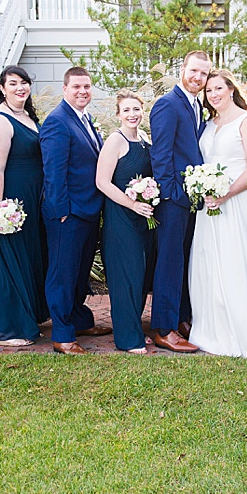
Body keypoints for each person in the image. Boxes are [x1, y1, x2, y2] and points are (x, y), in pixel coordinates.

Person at [187, 69, 247, 357]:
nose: (213, 95)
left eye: (218, 89)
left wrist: (227, 193)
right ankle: (211, 328)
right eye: (209, 91)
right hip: (210, 203)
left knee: (236, 262)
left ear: (231, 90)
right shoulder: (209, 124)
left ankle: (240, 331)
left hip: (236, 203)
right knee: (209, 262)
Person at [39, 66, 111, 355]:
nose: (83, 91)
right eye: (77, 87)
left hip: (88, 210)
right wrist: (61, 212)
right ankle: (63, 335)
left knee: (80, 274)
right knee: (62, 274)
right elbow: (53, 173)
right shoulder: (57, 122)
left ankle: (79, 320)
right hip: (67, 213)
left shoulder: (86, 119)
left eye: (87, 87)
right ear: (65, 89)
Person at [148, 50, 211, 353]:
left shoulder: (197, 106)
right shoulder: (167, 104)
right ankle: (163, 327)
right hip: (174, 199)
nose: (198, 78)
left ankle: (181, 318)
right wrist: (171, 193)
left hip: (192, 199)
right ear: (182, 69)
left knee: (186, 261)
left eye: (204, 74)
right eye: (194, 71)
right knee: (170, 263)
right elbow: (161, 155)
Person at [0, 65, 48, 347]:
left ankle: (27, 319)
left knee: (29, 260)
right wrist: (0, 212)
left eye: (24, 82)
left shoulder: (29, 118)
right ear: (2, 88)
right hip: (10, 203)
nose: (20, 87)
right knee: (12, 264)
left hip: (31, 200)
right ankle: (7, 331)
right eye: (13, 83)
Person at [96, 91, 157, 354]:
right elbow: (102, 182)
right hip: (121, 217)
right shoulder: (115, 141)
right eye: (127, 110)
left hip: (144, 218)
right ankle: (127, 338)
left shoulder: (144, 139)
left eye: (136, 109)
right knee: (126, 275)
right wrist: (132, 203)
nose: (132, 114)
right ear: (118, 114)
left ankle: (135, 327)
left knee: (142, 274)